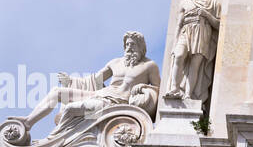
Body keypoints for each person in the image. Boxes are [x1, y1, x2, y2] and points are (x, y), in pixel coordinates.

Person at [15, 31, 160, 134]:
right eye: (127, 44)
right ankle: (28, 122)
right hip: (98, 94)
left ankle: (55, 140)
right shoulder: (115, 62)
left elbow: (159, 90)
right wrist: (71, 81)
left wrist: (143, 86)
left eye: (133, 44)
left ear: (141, 47)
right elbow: (94, 80)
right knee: (56, 92)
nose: (129, 48)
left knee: (70, 109)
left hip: (113, 105)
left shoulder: (149, 66)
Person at [164, 0, 221, 101]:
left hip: (202, 32)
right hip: (186, 31)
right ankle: (174, 88)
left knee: (195, 65)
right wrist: (175, 42)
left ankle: (189, 94)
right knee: (179, 56)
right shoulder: (185, 3)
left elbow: (218, 24)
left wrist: (207, 14)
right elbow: (179, 24)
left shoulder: (213, 4)